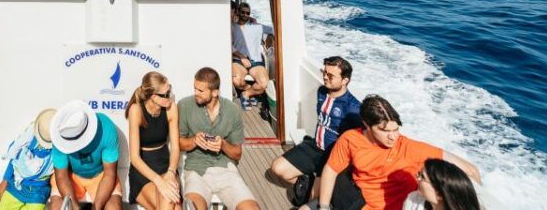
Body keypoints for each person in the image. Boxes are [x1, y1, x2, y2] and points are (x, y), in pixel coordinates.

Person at [315, 95, 481, 210]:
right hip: (360, 202)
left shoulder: (409, 148)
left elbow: (471, 169)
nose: (393, 136)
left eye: (396, 129)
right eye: (385, 131)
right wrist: (323, 207)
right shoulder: (351, 139)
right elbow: (331, 170)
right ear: (366, 124)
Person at [270, 56, 361, 204]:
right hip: (314, 146)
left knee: (313, 199)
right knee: (277, 168)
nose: (325, 77)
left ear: (345, 80)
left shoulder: (354, 109)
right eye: (324, 72)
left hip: (331, 157)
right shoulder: (321, 92)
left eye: (330, 75)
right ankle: (309, 181)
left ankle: (314, 188)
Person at [178, 67, 260, 210]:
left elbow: (237, 153)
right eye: (195, 88)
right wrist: (194, 141)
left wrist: (222, 145)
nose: (195, 93)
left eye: (200, 91)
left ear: (215, 92)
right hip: (197, 170)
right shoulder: (185, 105)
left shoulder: (232, 110)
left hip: (226, 170)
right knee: (193, 207)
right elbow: (179, 143)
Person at [47, 99, 122, 210]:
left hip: (101, 176)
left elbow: (109, 174)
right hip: (70, 176)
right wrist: (75, 207)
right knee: (55, 207)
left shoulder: (106, 127)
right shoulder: (60, 134)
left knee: (114, 208)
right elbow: (61, 175)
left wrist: (96, 207)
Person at [126, 71, 181, 210]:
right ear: (154, 97)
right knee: (171, 203)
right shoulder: (136, 110)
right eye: (166, 94)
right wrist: (159, 181)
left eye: (170, 90)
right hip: (143, 169)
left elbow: (175, 148)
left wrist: (171, 172)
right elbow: (134, 157)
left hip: (165, 164)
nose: (170, 96)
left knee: (169, 202)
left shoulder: (170, 108)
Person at [0, 108, 57, 210]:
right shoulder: (29, 138)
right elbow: (15, 158)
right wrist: (5, 180)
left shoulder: (59, 150)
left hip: (39, 192)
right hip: (16, 185)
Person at [231, 2, 273, 110]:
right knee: (236, 80)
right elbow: (228, 45)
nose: (245, 15)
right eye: (243, 12)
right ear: (238, 12)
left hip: (255, 61)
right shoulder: (232, 27)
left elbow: (274, 30)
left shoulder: (257, 27)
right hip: (238, 60)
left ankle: (246, 94)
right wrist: (241, 57)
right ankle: (255, 93)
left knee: (264, 83)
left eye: (247, 13)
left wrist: (272, 42)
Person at [403, 158, 481, 210]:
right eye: (419, 173)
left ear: (439, 193)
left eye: (422, 176)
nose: (417, 177)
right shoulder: (413, 200)